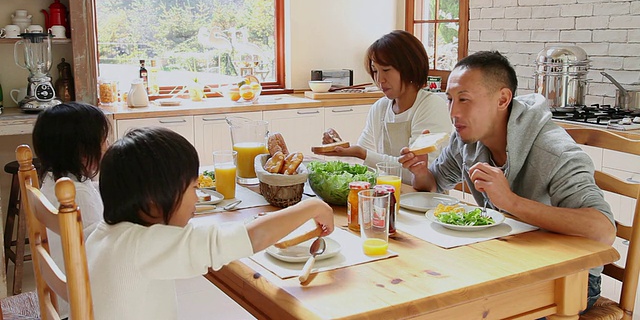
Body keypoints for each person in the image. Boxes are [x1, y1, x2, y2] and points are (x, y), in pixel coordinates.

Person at [399, 50, 616, 311]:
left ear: (502, 99)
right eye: (449, 100)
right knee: (421, 288)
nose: (453, 112)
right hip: (504, 261)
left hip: (568, 279)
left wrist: (511, 202)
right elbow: (434, 184)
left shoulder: (554, 151)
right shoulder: (466, 138)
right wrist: (422, 172)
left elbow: (603, 230)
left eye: (464, 99)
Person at [86, 127, 334, 320]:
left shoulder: (105, 234)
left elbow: (218, 235)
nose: (197, 197)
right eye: (193, 188)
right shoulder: (143, 245)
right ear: (153, 199)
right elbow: (250, 239)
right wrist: (311, 206)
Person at [321, 30, 452, 183]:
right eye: (375, 71)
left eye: (386, 70)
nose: (379, 79)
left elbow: (418, 172)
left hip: (424, 201)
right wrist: (342, 147)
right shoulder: (380, 107)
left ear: (409, 67)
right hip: (387, 194)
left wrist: (361, 153)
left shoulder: (431, 106)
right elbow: (364, 162)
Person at [32, 101, 110, 318]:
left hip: (62, 296)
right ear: (83, 152)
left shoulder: (53, 182)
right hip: (81, 304)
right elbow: (103, 250)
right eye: (103, 141)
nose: (107, 146)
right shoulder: (78, 196)